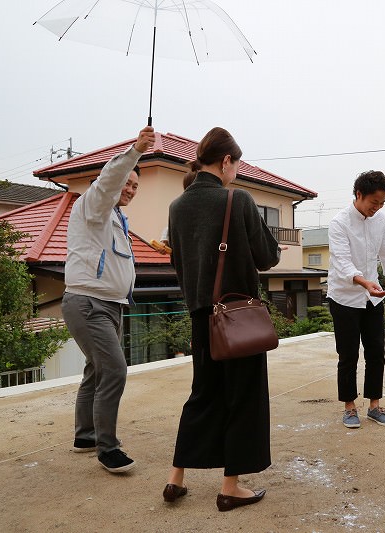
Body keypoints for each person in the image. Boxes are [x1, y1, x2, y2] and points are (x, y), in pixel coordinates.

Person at [163, 127, 281, 512]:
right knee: (243, 398)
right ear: (226, 161)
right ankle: (231, 487)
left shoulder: (177, 207)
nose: (237, 172)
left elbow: (178, 263)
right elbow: (268, 257)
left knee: (203, 395)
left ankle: (175, 478)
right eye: (237, 164)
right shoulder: (239, 200)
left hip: (200, 315)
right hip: (237, 315)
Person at [62, 126, 155, 472]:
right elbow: (107, 182)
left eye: (134, 186)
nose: (129, 189)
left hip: (109, 304)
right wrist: (136, 151)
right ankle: (108, 448)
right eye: (126, 183)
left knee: (95, 369)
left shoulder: (116, 218)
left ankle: (85, 435)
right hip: (88, 303)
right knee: (114, 369)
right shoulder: (94, 204)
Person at [327, 170, 385, 429]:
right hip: (345, 297)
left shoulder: (380, 220)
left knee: (376, 352)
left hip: (373, 298)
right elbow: (342, 262)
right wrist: (363, 282)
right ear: (359, 194)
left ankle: (374, 405)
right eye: (374, 202)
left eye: (382, 203)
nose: (377, 208)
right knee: (347, 354)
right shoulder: (339, 223)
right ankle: (349, 407)